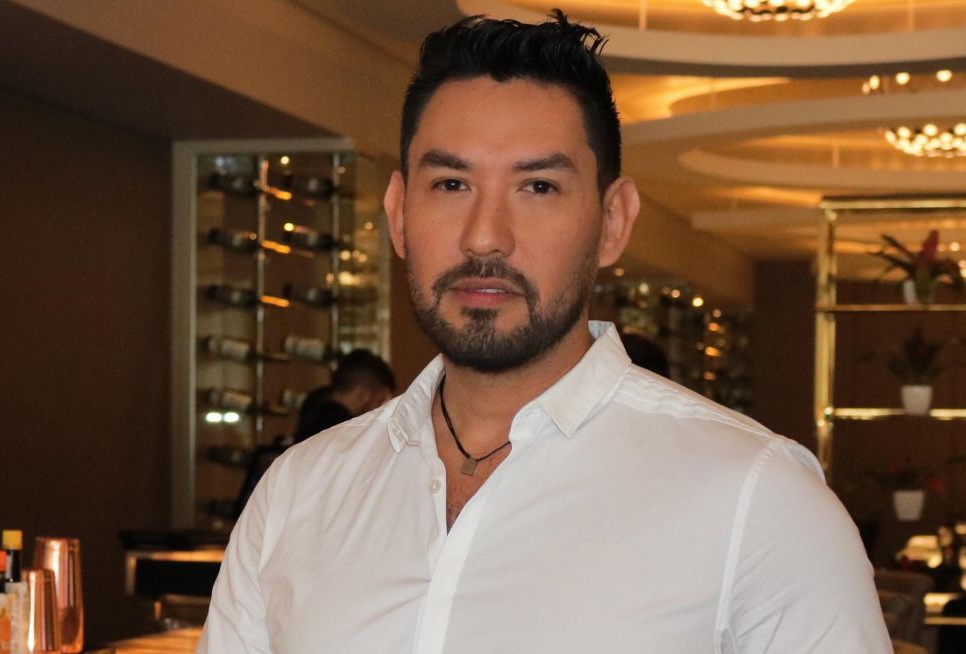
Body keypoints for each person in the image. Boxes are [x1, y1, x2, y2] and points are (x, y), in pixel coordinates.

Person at [199, 11, 890, 653]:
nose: (485, 236)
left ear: (613, 222)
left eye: (538, 187)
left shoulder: (760, 500)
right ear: (399, 214)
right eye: (451, 184)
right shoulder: (299, 492)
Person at [233, 349, 395, 516]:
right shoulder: (351, 434)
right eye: (380, 401)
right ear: (363, 395)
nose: (382, 410)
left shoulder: (310, 417)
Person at [293, 348, 396, 442]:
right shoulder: (348, 435)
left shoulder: (311, 413)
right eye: (380, 401)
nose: (381, 408)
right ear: (362, 395)